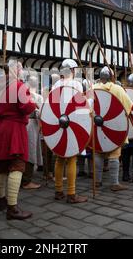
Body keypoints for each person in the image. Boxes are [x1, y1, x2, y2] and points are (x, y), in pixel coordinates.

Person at [0, 59, 37, 220]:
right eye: (21, 69)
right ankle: (12, 208)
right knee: (17, 165)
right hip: (14, 129)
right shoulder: (19, 86)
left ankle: (1, 200)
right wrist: (33, 102)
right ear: (16, 70)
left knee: (0, 165)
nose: (22, 72)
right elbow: (26, 107)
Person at [51, 59, 88, 203]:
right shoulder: (76, 84)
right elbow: (79, 107)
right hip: (72, 123)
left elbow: (52, 107)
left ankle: (58, 190)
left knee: (60, 157)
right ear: (72, 70)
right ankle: (71, 193)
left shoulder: (56, 84)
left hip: (58, 123)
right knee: (72, 157)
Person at [93, 67, 132, 192]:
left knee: (98, 152)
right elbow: (128, 107)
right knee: (114, 154)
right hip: (115, 126)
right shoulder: (118, 89)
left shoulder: (92, 88)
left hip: (96, 126)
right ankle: (114, 183)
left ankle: (97, 181)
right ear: (112, 77)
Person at [21, 75, 43, 190]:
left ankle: (25, 178)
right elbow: (38, 112)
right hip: (28, 124)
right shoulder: (24, 94)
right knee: (29, 151)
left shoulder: (37, 96)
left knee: (30, 150)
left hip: (33, 125)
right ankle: (26, 181)